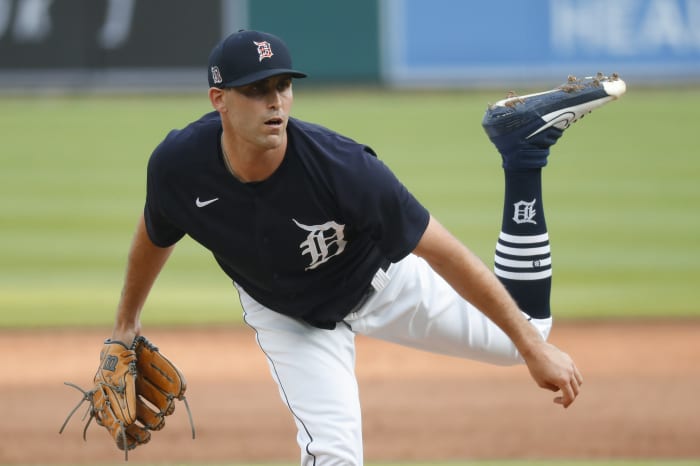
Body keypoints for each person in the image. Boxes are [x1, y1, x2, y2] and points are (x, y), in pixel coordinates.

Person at [110, 29, 624, 465]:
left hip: (383, 282)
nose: (275, 101)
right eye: (256, 89)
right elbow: (156, 232)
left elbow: (442, 251)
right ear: (218, 99)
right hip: (289, 317)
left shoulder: (344, 169)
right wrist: (125, 325)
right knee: (334, 454)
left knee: (528, 336)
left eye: (283, 86)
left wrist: (534, 351)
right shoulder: (179, 165)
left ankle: (523, 150)